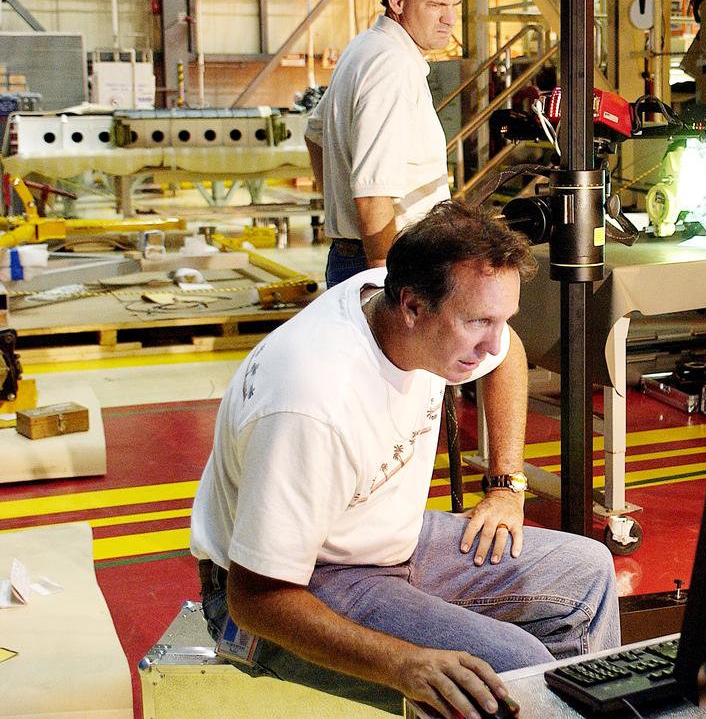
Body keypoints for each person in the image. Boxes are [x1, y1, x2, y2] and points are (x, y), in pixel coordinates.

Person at [189, 201, 621, 717]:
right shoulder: (313, 402)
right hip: (296, 586)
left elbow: (509, 354)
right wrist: (404, 663)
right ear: (413, 307)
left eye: (500, 319)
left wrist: (506, 485)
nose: (492, 342)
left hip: (385, 540)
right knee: (513, 668)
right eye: (479, 321)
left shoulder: (407, 304)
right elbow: (255, 599)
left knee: (588, 572)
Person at [306, 0, 462, 288]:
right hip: (388, 262)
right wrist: (385, 282)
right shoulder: (392, 66)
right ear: (397, 0)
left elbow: (314, 134)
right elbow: (372, 191)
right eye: (436, 4)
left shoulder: (364, 48)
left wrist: (338, 206)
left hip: (357, 254)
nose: (449, 18)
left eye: (454, 4)